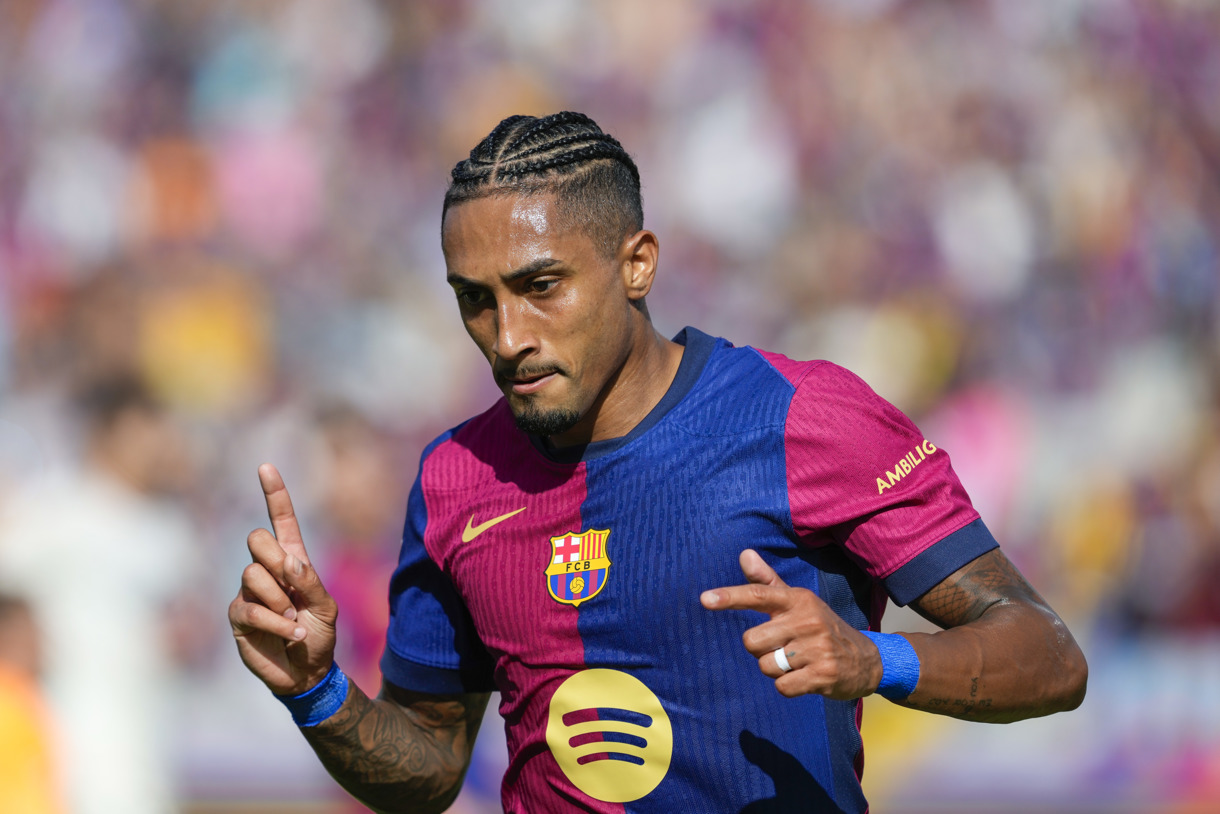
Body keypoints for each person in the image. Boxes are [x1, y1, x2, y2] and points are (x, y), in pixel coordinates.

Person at [229, 112, 1087, 813]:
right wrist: (318, 694)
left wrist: (877, 661)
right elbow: (429, 766)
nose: (508, 336)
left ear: (636, 264)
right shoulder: (454, 479)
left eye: (541, 286)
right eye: (475, 302)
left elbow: (1049, 657)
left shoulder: (804, 419)